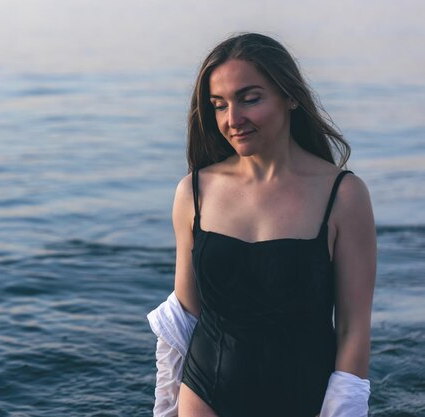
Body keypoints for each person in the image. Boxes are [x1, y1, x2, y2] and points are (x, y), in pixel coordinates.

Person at [147, 32, 376, 417]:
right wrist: (167, 403)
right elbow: (184, 314)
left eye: (249, 99)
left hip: (304, 399)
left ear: (290, 97)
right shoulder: (194, 191)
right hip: (204, 394)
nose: (232, 119)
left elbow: (354, 330)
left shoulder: (343, 195)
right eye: (219, 105)